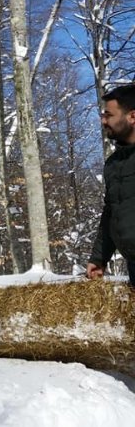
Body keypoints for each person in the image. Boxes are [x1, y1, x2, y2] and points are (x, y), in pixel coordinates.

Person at [87, 83, 135, 288]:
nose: (103, 120)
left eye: (109, 115)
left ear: (132, 117)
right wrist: (99, 258)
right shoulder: (113, 163)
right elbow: (111, 213)